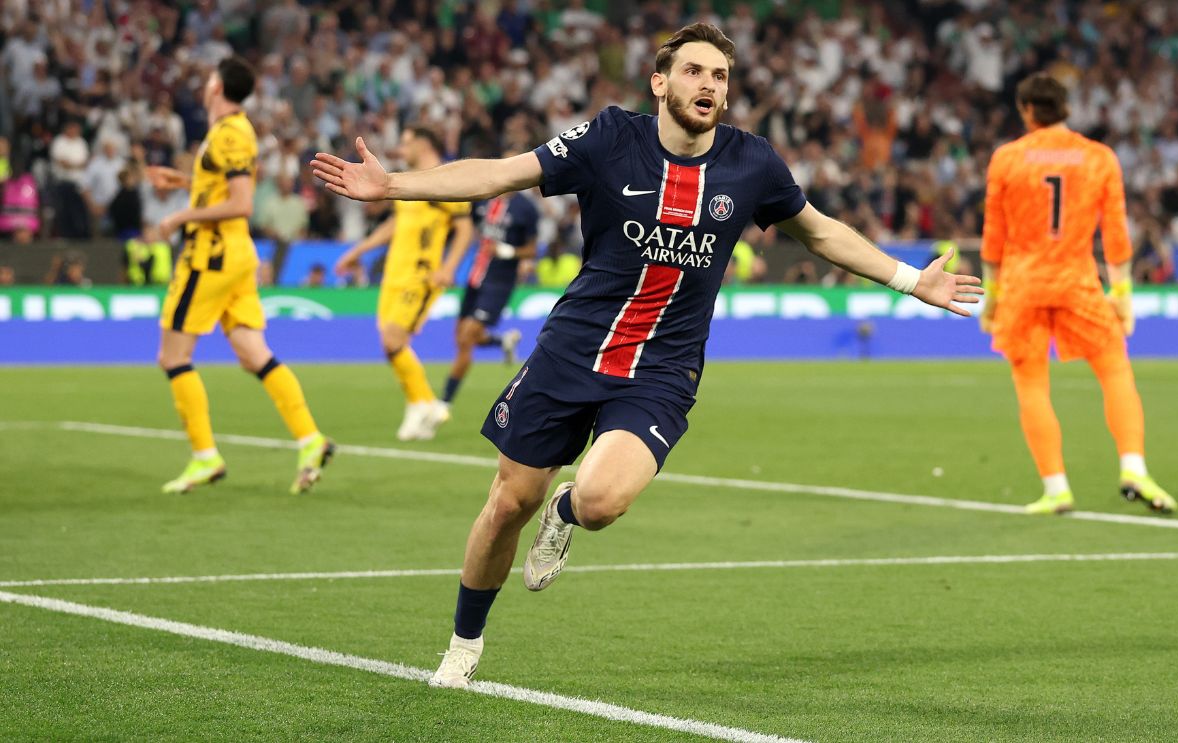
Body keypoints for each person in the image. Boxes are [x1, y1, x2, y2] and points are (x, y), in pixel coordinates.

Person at [313, 23, 981, 688]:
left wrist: (909, 277)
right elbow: (499, 174)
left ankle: (567, 512)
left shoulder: (752, 163)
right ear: (660, 83)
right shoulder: (608, 137)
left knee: (601, 501)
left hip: (662, 368)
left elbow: (819, 232)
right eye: (694, 71)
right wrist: (393, 184)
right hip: (573, 350)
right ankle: (464, 642)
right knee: (507, 503)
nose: (708, 86)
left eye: (719, 76)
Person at [979, 73, 1176, 517]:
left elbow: (994, 236)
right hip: (1078, 281)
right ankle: (1134, 467)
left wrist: (991, 296)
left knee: (1032, 384)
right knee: (1114, 370)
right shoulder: (1098, 157)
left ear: (1027, 109)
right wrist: (1122, 291)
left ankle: (1056, 488)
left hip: (1023, 283)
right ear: (1066, 108)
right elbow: (1117, 232)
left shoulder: (1007, 159)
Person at [148, 56, 334, 495]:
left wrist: (181, 216)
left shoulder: (230, 132)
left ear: (216, 85)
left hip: (209, 256)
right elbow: (221, 186)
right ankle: (310, 440)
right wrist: (182, 182)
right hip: (236, 256)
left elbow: (241, 202)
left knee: (173, 357)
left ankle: (204, 456)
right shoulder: (232, 130)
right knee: (253, 353)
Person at [333, 126, 475, 441]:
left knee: (393, 340)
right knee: (389, 342)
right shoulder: (408, 178)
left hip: (421, 274)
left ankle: (423, 403)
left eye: (406, 142)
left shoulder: (445, 177)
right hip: (394, 272)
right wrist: (358, 251)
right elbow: (398, 223)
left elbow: (465, 229)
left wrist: (449, 267)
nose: (401, 148)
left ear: (423, 143)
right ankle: (422, 403)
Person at [437, 172, 540, 426]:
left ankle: (443, 404)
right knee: (461, 337)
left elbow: (532, 249)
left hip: (499, 282)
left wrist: (506, 250)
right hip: (475, 277)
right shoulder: (483, 200)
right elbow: (469, 231)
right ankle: (502, 341)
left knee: (466, 338)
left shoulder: (526, 209)